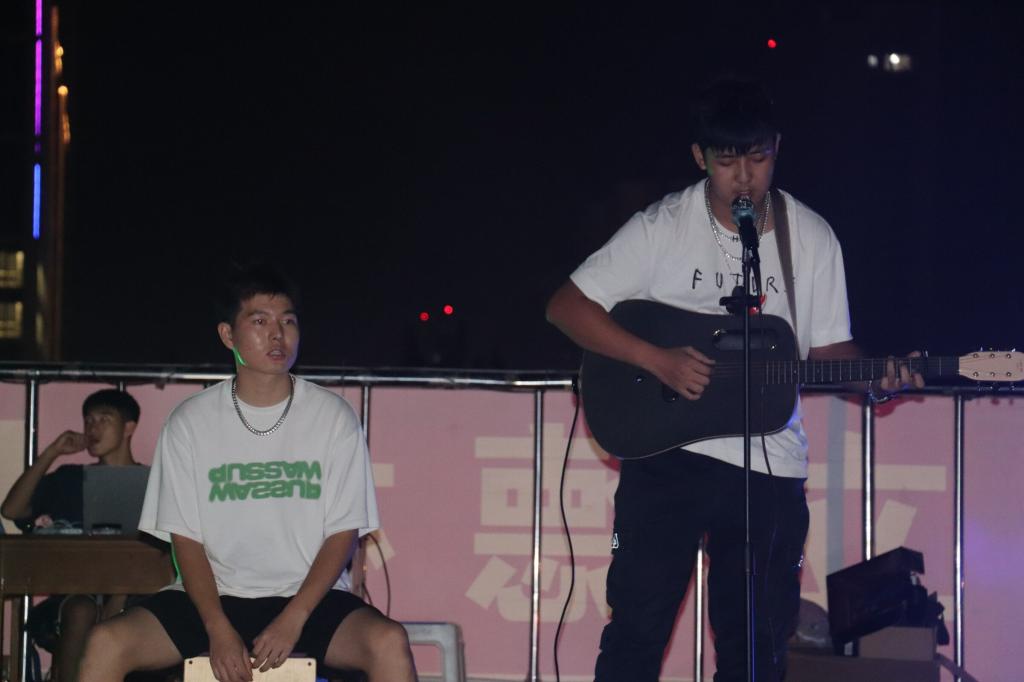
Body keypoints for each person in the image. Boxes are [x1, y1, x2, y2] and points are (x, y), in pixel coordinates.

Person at [546, 78, 923, 681]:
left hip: (768, 466)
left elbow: (828, 349)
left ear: (777, 149)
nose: (744, 177)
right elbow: (567, 306)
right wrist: (656, 359)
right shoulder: (663, 226)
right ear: (700, 157)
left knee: (756, 652)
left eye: (758, 158)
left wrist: (877, 377)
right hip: (666, 457)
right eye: (727, 162)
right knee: (636, 635)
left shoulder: (811, 237)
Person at [79, 264, 417, 682]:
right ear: (228, 335)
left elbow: (343, 533)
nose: (277, 335)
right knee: (106, 642)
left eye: (287, 322)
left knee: (388, 642)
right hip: (210, 598)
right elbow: (185, 539)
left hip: (309, 598)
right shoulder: (190, 421)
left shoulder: (334, 417)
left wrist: (294, 618)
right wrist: (217, 627)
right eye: (260, 321)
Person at [1, 389, 145, 682]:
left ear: (129, 428)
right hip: (76, 590)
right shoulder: (69, 478)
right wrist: (52, 452)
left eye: (104, 419)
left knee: (130, 610)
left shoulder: (152, 481)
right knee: (80, 609)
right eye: (88, 420)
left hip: (136, 589)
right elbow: (12, 510)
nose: (93, 428)